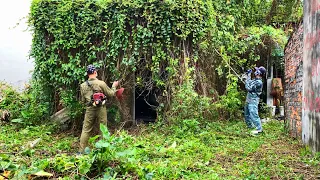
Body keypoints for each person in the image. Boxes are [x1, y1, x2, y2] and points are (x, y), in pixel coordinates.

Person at [79, 64, 119, 152]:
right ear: (95, 72)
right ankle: (102, 150)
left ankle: (81, 151)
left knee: (86, 130)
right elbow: (111, 94)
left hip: (90, 108)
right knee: (103, 129)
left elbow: (82, 101)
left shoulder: (83, 86)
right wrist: (114, 86)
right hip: (101, 108)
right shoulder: (101, 83)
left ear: (87, 73)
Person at [244, 66, 266, 135]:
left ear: (259, 73)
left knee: (253, 114)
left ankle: (259, 129)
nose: (255, 72)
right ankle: (250, 126)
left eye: (257, 71)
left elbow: (249, 88)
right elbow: (249, 82)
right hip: (248, 99)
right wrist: (248, 75)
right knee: (246, 114)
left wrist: (246, 81)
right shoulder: (255, 80)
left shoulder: (259, 82)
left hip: (253, 100)